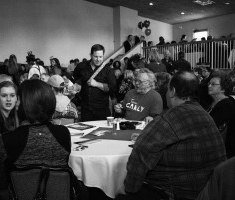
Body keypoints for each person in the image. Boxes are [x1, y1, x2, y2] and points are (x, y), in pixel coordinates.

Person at [117, 71, 226, 200]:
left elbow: (140, 154)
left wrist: (128, 189)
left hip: (174, 192)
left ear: (172, 91)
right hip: (210, 189)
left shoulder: (169, 118)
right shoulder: (205, 115)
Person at [0, 79, 71, 199]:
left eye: (18, 98)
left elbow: (3, 173)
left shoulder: (7, 140)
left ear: (22, 104)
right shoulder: (63, 133)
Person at [73, 44, 117, 121]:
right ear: (91, 55)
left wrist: (97, 84)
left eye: (100, 57)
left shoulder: (108, 70)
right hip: (86, 109)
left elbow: (112, 88)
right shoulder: (82, 66)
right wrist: (78, 84)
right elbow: (76, 77)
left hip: (102, 109)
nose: (98, 59)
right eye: (95, 56)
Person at [207, 70, 235, 158]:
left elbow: (215, 127)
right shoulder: (213, 102)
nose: (209, 86)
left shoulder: (227, 105)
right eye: (209, 83)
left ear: (223, 88)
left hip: (224, 151)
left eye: (213, 84)